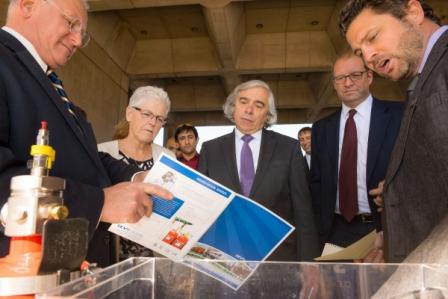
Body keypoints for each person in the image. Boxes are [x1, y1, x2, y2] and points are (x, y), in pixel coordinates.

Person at [0, 0, 171, 267]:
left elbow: (89, 159)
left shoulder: (48, 82)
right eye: (71, 23)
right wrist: (99, 203)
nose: (78, 41)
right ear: (28, 5)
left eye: (83, 32)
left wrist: (137, 176)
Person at [339, 0, 448, 262]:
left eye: (373, 37)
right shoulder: (421, 82)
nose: (368, 57)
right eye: (359, 51)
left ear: (413, 12)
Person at [198, 80, 319, 261]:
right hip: (224, 258)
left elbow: (303, 211)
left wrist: (309, 264)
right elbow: (201, 208)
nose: (249, 110)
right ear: (233, 107)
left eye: (259, 105)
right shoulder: (210, 150)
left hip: (278, 258)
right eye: (243, 101)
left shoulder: (288, 148)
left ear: (267, 115)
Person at [310, 52, 403, 253]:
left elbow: (418, 167)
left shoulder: (400, 115)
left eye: (355, 75)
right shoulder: (321, 128)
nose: (348, 83)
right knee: (336, 285)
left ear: (369, 77)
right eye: (340, 78)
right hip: (334, 231)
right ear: (334, 84)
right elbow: (316, 183)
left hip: (383, 227)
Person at [98, 86, 175, 260]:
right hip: (110, 254)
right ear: (129, 113)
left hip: (153, 257)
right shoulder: (101, 153)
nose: (152, 122)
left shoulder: (168, 158)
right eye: (147, 114)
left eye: (159, 118)